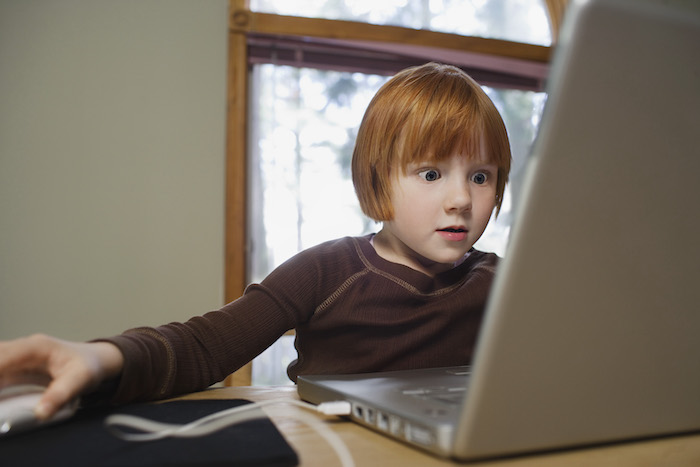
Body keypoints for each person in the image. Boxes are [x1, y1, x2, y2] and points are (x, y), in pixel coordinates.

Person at [0, 62, 511, 420]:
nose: (460, 199)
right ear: (377, 178)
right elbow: (206, 346)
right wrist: (98, 358)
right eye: (430, 174)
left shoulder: (505, 283)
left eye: (481, 177)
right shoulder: (325, 271)